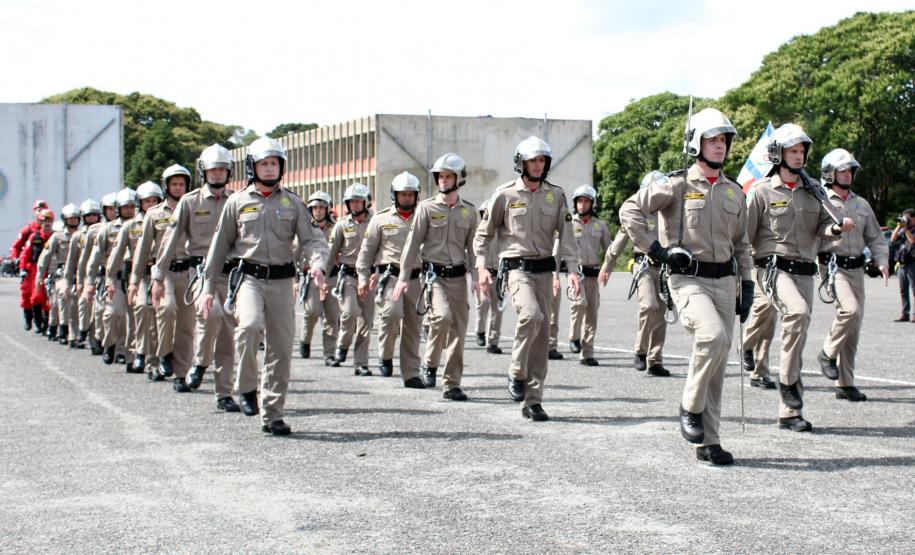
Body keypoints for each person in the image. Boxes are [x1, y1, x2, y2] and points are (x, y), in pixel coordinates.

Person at [620, 108, 752, 465]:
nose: (720, 145)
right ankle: (689, 406)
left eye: (723, 140)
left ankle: (709, 441)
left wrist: (748, 283)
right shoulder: (675, 184)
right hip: (687, 278)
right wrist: (658, 251)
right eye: (712, 139)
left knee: (718, 361)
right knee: (712, 337)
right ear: (696, 143)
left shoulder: (734, 192)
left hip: (725, 280)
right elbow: (629, 210)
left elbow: (742, 244)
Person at [200, 136, 328, 436]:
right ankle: (246, 386)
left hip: (282, 281)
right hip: (249, 278)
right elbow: (219, 247)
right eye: (263, 163)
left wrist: (318, 265)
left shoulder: (293, 202)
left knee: (280, 349)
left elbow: (313, 240)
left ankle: (272, 413)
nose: (269, 168)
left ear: (281, 167)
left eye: (274, 163)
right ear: (252, 167)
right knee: (249, 325)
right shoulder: (236, 202)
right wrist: (208, 287)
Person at [746, 123, 852, 433]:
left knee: (798, 334)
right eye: (792, 150)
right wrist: (742, 276)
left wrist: (836, 228)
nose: (799, 156)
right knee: (798, 312)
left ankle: (789, 413)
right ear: (778, 154)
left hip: (804, 271)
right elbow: (744, 237)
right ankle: (786, 380)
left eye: (802, 151)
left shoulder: (814, 191)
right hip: (773, 268)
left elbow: (824, 227)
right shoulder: (761, 191)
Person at [475, 137, 580, 420]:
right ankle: (516, 370)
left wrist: (572, 270)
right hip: (516, 270)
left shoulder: (556, 195)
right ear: (521, 162)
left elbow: (566, 236)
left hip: (545, 271)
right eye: (532, 160)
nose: (537, 165)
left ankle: (533, 400)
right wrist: (482, 266)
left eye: (542, 160)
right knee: (531, 316)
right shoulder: (505, 194)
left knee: (542, 337)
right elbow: (484, 233)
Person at [394, 153, 479, 401]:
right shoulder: (427, 208)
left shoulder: (469, 212)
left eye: (448, 176)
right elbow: (412, 244)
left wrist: (476, 276)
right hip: (434, 277)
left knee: (459, 331)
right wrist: (403, 277)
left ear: (459, 178)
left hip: (459, 278)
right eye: (440, 176)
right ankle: (430, 362)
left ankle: (451, 384)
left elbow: (473, 248)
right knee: (442, 317)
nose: (443, 180)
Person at [816, 148, 889, 402]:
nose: (847, 174)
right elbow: (814, 232)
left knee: (854, 328)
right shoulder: (820, 202)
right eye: (842, 170)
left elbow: (876, 238)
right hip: (833, 268)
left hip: (857, 269)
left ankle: (845, 384)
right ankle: (827, 353)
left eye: (850, 170)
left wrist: (882, 261)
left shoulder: (861, 204)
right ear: (830, 173)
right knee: (850, 311)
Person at [357, 171, 425, 387]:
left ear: (416, 195)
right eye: (402, 194)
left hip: (416, 278)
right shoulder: (380, 219)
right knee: (391, 314)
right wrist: (362, 277)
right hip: (390, 277)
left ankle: (411, 373)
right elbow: (366, 252)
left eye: (410, 194)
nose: (406, 198)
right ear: (394, 195)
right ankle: (385, 356)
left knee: (414, 326)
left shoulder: (424, 217)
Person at [599, 171, 670, 376]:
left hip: (665, 268)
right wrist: (608, 264)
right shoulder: (637, 213)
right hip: (644, 265)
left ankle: (655, 360)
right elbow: (620, 241)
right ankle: (640, 351)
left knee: (662, 313)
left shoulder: (670, 213)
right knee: (649, 305)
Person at [134, 165, 194, 388]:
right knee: (167, 309)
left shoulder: (194, 209)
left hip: (188, 271)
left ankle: (181, 374)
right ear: (166, 186)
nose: (178, 188)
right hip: (163, 272)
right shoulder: (154, 214)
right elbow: (142, 249)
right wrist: (134, 280)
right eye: (174, 184)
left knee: (186, 325)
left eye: (181, 184)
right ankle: (164, 354)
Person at [108, 182, 163, 375]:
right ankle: (136, 354)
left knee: (157, 318)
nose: (151, 204)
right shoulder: (130, 226)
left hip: (160, 275)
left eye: (154, 200)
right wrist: (110, 279)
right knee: (141, 310)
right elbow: (116, 253)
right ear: (140, 203)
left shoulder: (166, 221)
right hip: (138, 277)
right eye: (147, 201)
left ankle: (154, 362)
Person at [328, 183, 374, 375]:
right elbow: (331, 253)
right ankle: (342, 344)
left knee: (365, 322)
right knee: (349, 312)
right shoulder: (341, 225)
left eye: (358, 201)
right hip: (348, 275)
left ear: (366, 202)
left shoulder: (375, 223)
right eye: (351, 201)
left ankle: (361, 363)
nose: (355, 205)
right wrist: (323, 278)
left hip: (370, 277)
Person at [567, 185, 612, 366]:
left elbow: (610, 250)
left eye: (586, 201)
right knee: (579, 304)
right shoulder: (568, 224)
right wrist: (555, 274)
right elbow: (559, 249)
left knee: (592, 314)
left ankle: (587, 354)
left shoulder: (600, 225)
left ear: (592, 204)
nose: (582, 204)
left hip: (593, 275)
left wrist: (607, 268)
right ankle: (574, 337)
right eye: (579, 201)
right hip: (576, 274)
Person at [296, 191, 340, 365]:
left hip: (332, 276)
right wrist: (294, 279)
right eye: (315, 207)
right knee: (312, 311)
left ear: (328, 209)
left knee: (332, 316)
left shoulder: (336, 228)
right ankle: (305, 341)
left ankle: (329, 353)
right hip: (312, 276)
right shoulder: (304, 229)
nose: (318, 211)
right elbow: (295, 254)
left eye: (322, 207)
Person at [36, 203, 81, 347]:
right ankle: (62, 329)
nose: (73, 221)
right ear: (65, 219)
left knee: (78, 302)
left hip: (80, 273)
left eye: (75, 218)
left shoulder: (82, 235)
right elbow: (45, 256)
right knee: (62, 296)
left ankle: (78, 333)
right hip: (62, 274)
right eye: (70, 218)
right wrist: (39, 276)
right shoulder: (57, 236)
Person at [79, 193, 117, 356]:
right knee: (100, 310)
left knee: (117, 312)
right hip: (101, 276)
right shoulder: (95, 230)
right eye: (110, 209)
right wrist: (85, 281)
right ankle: (96, 339)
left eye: (115, 208)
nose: (113, 212)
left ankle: (118, 348)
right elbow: (86, 259)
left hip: (121, 275)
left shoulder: (128, 226)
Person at [63, 199, 102, 350]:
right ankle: (78, 333)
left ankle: (95, 340)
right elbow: (72, 261)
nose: (92, 218)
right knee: (81, 305)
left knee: (98, 310)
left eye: (94, 215)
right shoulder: (78, 236)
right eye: (88, 215)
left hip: (101, 275)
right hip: (84, 276)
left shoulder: (104, 230)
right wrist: (70, 281)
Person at [12, 200, 49, 330]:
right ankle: (28, 318)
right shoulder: (28, 230)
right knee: (27, 293)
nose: (40, 212)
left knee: (44, 295)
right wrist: (17, 261)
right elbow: (16, 247)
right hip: (30, 266)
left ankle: (44, 321)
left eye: (43, 209)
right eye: (38, 210)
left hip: (46, 267)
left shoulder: (50, 230)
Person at [473, 199, 505, 355]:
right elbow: (473, 255)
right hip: (483, 274)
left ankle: (493, 342)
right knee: (483, 303)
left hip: (499, 274)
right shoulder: (479, 234)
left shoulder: (504, 233)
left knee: (497, 309)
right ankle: (480, 331)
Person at [19, 209, 55, 335]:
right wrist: (23, 269)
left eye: (49, 221)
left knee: (50, 298)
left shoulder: (56, 236)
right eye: (44, 221)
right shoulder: (34, 237)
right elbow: (25, 254)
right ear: (40, 222)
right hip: (36, 270)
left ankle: (48, 323)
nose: (47, 223)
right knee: (36, 297)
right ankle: (37, 322)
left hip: (52, 269)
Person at [891, 209, 915, 321]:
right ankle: (905, 314)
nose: (906, 220)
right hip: (902, 263)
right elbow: (893, 239)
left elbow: (912, 241)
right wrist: (899, 226)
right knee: (903, 291)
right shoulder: (903, 229)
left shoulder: (911, 230)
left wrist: (905, 229)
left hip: (913, 263)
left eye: (907, 218)